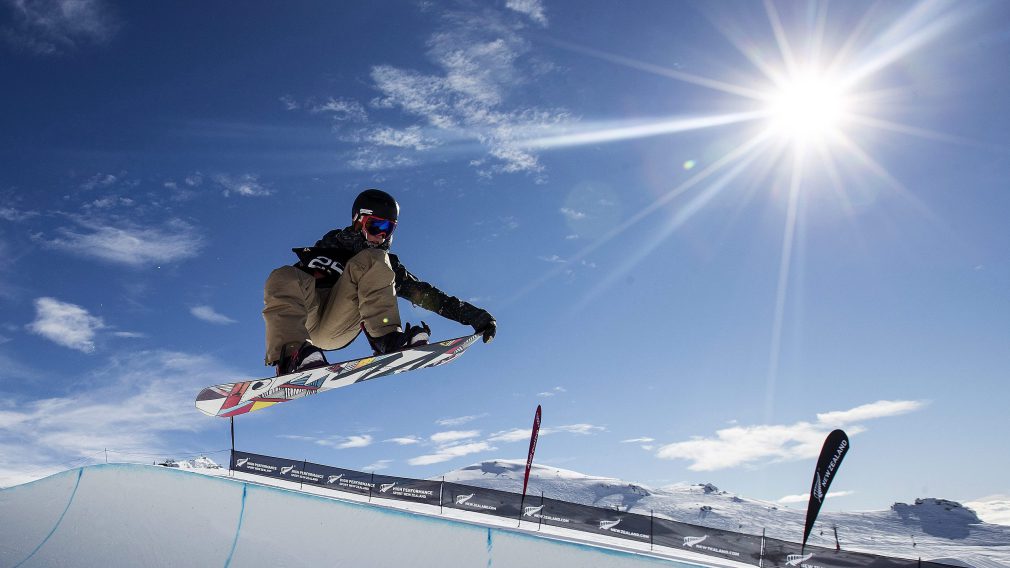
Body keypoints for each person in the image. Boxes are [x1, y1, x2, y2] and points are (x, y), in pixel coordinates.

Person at [263, 188, 497, 375]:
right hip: (305, 318)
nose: (382, 235)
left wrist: (472, 315)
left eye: (389, 229)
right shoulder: (327, 246)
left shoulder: (382, 263)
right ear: (358, 221)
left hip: (337, 323)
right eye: (377, 226)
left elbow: (425, 294)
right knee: (283, 274)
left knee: (373, 259)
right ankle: (292, 355)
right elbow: (288, 291)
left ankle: (387, 337)